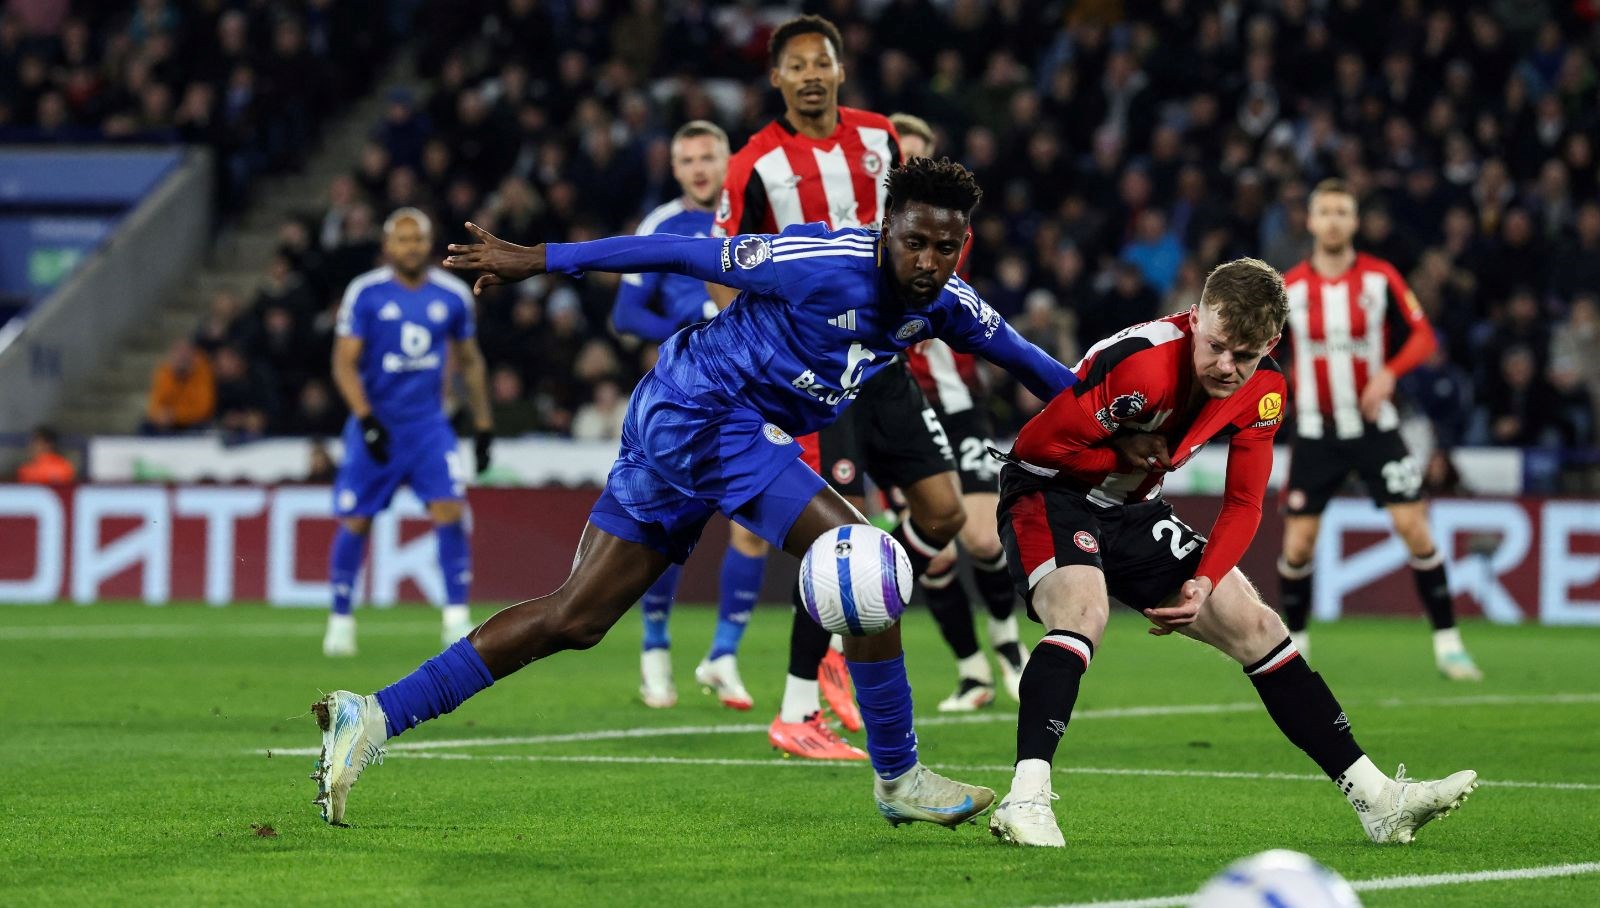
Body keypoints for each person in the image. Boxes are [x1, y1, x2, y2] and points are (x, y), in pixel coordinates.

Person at [310, 157, 1152, 831]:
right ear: (885, 228)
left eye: (947, 249)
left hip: (692, 422)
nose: (929, 264)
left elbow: (1047, 374)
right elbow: (680, 254)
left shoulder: (947, 304)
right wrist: (540, 259)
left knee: (575, 617)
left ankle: (373, 715)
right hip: (702, 412)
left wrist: (1126, 426)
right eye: (915, 244)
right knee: (864, 561)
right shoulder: (823, 262)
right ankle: (898, 778)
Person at [987, 258, 1478, 848]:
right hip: (1050, 491)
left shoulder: (1265, 390)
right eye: (1216, 346)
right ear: (1197, 318)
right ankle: (1026, 798)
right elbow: (1036, 446)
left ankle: (1378, 800)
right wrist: (1121, 455)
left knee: (1259, 625)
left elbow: (1244, 502)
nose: (1226, 366)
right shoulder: (1142, 363)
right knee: (1084, 612)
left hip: (1133, 509)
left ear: (1270, 344)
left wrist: (1204, 580)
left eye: (1244, 355)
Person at [709, 15, 984, 759]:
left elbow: (911, 231)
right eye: (794, 65)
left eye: (820, 62)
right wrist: (755, 358)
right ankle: (798, 707)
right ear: (776, 78)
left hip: (884, 361)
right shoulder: (755, 163)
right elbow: (721, 262)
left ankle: (839, 633)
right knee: (840, 533)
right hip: (807, 367)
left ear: (839, 70)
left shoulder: (878, 140)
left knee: (944, 514)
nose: (808, 75)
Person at [1276, 180, 1482, 680]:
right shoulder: (1288, 287)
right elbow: (1264, 347)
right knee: (1298, 544)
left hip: (1374, 428)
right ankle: (1296, 648)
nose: (1332, 220)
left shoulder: (1379, 278)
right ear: (1310, 221)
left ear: (1354, 222)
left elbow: (1422, 335)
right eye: (1323, 211)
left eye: (1341, 211)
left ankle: (1449, 645)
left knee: (1415, 528)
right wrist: (1287, 376)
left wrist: (1389, 373)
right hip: (1316, 432)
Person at [609, 120, 757, 712]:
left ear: (729, 161)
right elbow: (626, 314)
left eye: (708, 156)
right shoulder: (661, 226)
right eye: (687, 158)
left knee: (749, 525)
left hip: (749, 392)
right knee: (665, 527)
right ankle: (655, 651)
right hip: (682, 396)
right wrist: (688, 333)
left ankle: (723, 655)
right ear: (674, 169)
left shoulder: (753, 219)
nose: (699, 167)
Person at [892, 110, 1028, 712]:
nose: (906, 161)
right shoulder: (869, 233)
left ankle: (1008, 646)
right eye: (897, 153)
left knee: (978, 535)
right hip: (893, 407)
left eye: (916, 152)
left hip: (953, 400)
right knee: (936, 549)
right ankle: (972, 673)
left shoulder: (943, 235)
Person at [321, 208, 494, 657]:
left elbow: (470, 361)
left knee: (450, 511)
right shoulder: (366, 293)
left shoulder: (453, 295)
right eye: (402, 240)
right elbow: (343, 363)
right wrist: (366, 418)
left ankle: (455, 618)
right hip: (375, 423)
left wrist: (483, 424)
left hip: (428, 427)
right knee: (356, 519)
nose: (410, 247)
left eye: (417, 239)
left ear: (429, 244)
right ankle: (340, 619)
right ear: (387, 246)